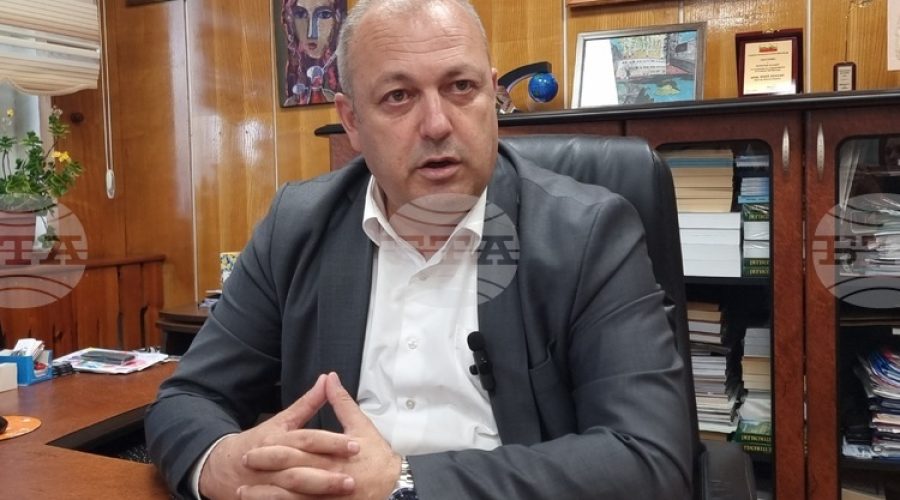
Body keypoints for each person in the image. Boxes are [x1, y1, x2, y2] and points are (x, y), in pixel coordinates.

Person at [145, 0, 693, 498]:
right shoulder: (297, 225)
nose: (436, 125)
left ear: (493, 97)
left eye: (461, 87)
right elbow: (188, 398)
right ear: (352, 120)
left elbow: (648, 458)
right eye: (398, 96)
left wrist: (402, 484)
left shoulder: (590, 233)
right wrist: (219, 465)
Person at [281, 0, 343, 105]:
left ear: (338, 20)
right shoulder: (291, 102)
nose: (311, 34)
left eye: (324, 15)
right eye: (300, 14)